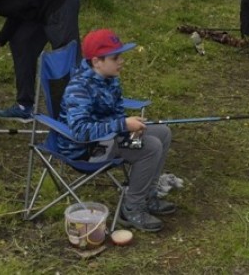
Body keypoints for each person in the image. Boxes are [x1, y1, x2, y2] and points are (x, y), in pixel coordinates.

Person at [59, 29, 175, 232]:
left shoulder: (109, 79)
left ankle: (148, 196)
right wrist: (122, 125)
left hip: (108, 139)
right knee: (151, 147)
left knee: (163, 133)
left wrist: (129, 127)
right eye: (116, 57)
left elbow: (115, 114)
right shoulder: (78, 88)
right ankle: (131, 208)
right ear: (97, 61)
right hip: (87, 150)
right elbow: (79, 131)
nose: (121, 61)